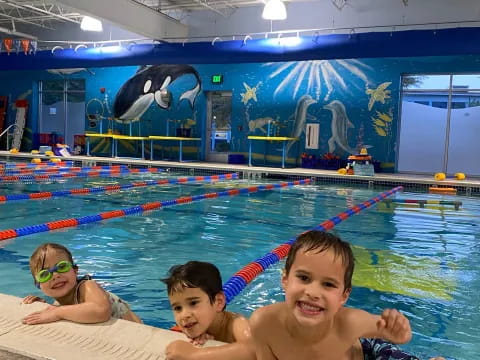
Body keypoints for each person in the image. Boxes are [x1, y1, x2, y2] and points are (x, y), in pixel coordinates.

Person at [249, 230, 443, 360]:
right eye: (304, 277)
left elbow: (395, 333)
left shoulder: (351, 323)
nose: (313, 293)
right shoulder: (264, 323)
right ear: (285, 279)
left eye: (328, 284)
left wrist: (400, 332)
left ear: (344, 295)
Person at [22, 242, 142, 325]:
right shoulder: (59, 301)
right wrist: (42, 305)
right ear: (38, 285)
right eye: (44, 274)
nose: (55, 275)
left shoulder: (87, 286)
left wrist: (57, 312)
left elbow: (100, 311)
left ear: (75, 271)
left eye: (62, 267)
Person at [162, 261, 254, 360]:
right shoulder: (195, 325)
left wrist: (195, 355)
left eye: (193, 303)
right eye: (178, 308)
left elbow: (255, 350)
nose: (184, 315)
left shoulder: (237, 324)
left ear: (219, 302)